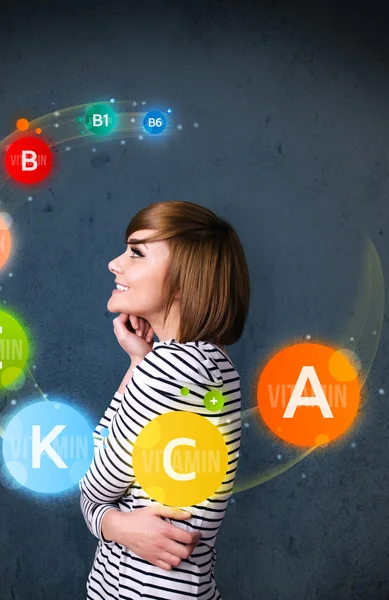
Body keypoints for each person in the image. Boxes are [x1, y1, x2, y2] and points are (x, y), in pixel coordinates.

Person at [79, 200, 250, 599]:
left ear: (182, 281)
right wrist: (140, 358)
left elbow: (93, 487)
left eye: (136, 253)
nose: (114, 264)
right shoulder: (213, 362)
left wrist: (109, 522)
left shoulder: (169, 370)